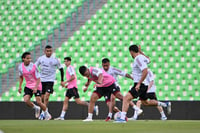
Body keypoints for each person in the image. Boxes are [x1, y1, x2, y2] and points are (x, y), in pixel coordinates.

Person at [115, 44, 171, 123]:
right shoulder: (142, 57)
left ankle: (122, 118)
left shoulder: (138, 59)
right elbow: (149, 60)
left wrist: (139, 83)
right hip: (144, 85)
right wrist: (141, 51)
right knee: (145, 102)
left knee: (126, 98)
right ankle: (164, 104)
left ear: (131, 52)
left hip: (139, 84)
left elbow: (145, 70)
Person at [18, 52, 51, 120]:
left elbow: (38, 78)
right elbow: (21, 77)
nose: (29, 60)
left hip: (37, 85)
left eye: (30, 58)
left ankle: (47, 113)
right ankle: (36, 108)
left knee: (39, 102)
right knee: (26, 100)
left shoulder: (33, 66)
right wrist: (20, 86)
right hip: (28, 85)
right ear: (23, 59)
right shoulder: (20, 67)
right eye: (27, 58)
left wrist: (36, 87)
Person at [35, 45, 64, 119]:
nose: (49, 52)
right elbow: (34, 67)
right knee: (42, 97)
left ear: (52, 51)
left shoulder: (55, 59)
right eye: (47, 51)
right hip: (42, 80)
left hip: (50, 80)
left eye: (50, 51)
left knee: (47, 96)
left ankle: (43, 113)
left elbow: (61, 69)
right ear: (45, 51)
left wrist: (62, 80)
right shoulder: (41, 59)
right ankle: (45, 111)